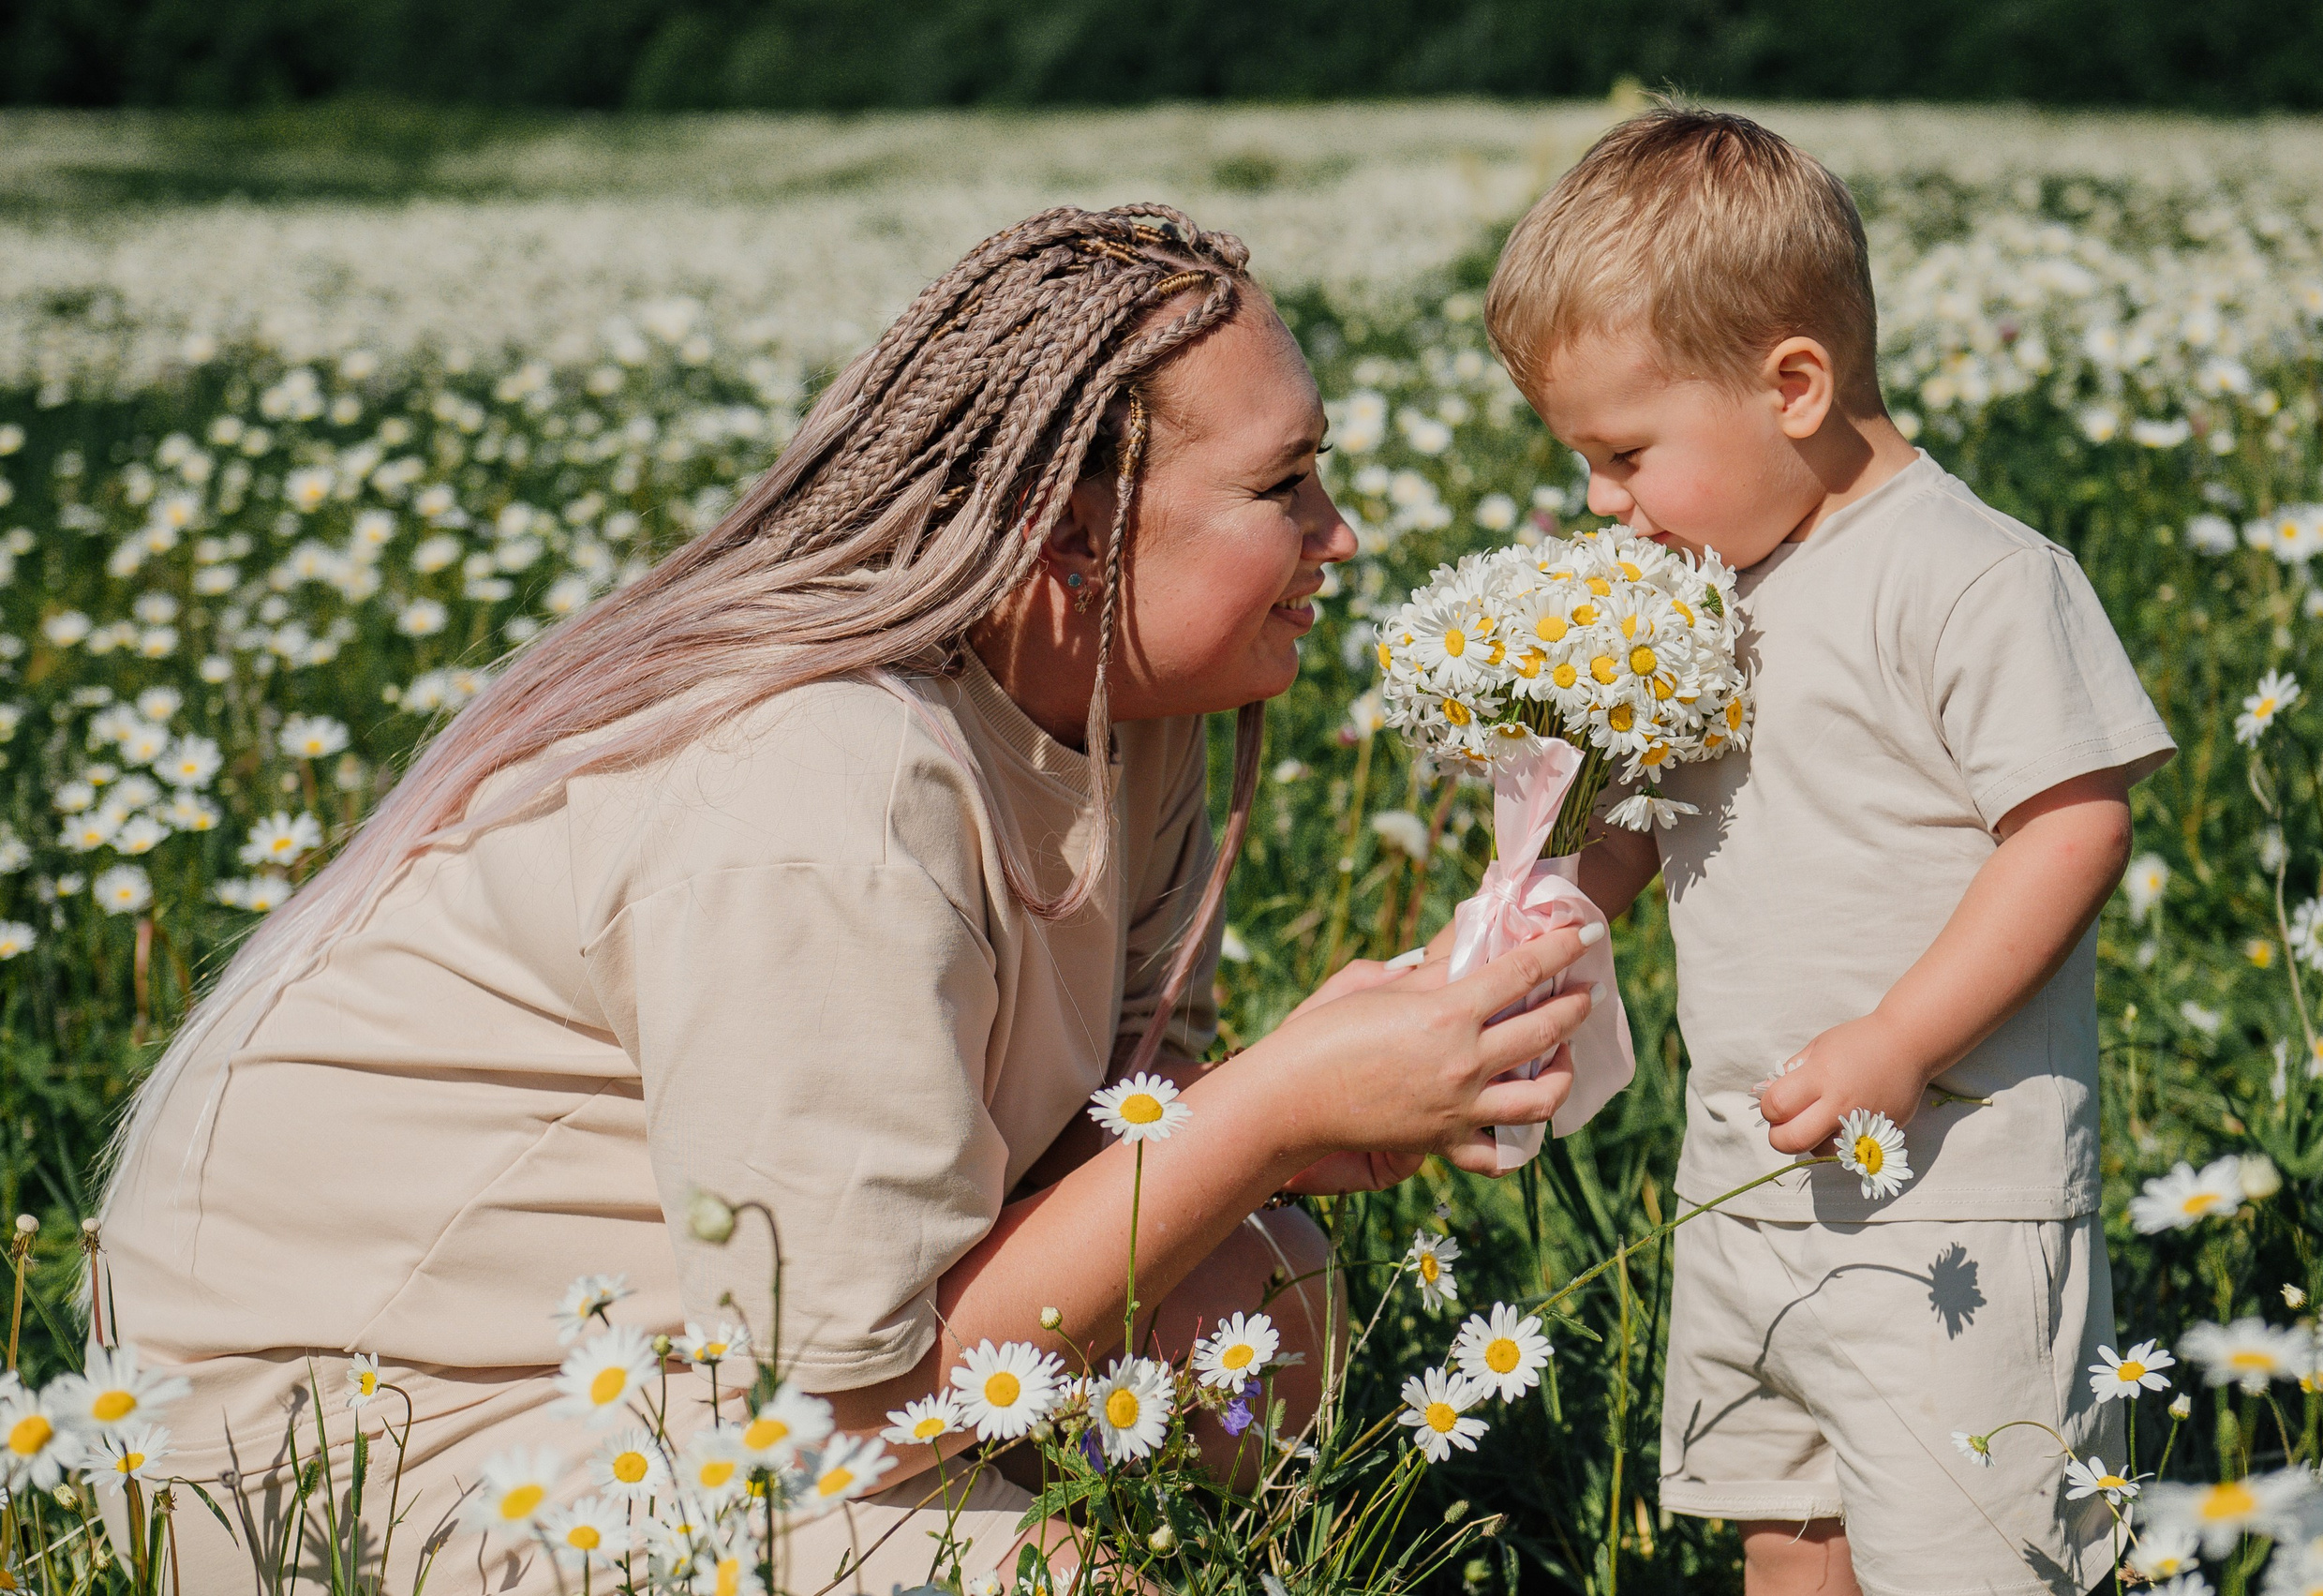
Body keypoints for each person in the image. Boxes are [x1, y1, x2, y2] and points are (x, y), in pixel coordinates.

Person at [98, 206, 1599, 1594]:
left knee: (1257, 1296)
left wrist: (1304, 1110)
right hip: (339, 1445)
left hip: (694, 1356)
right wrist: (1265, 1113)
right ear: (1074, 538)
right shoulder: (828, 789)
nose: (1340, 532)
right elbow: (855, 1414)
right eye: (1284, 487)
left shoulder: (1124, 714)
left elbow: (1117, 1109)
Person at [1482, 111, 2176, 1595]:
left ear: (1791, 385)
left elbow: (2072, 823)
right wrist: (1558, 899)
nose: (1604, 501)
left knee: (1971, 1551)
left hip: (1949, 1177)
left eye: (1624, 454)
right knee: (1787, 1532)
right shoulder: (1706, 596)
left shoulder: (1971, 574)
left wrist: (1904, 1038)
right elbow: (1648, 814)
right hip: (1743, 1174)